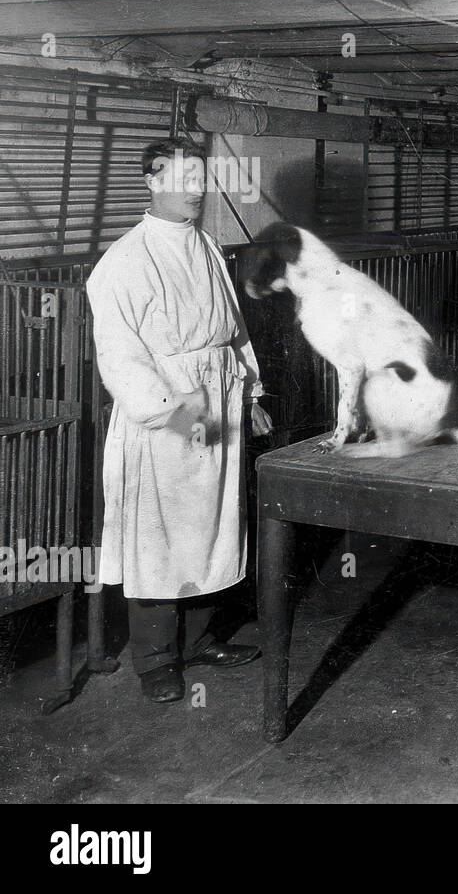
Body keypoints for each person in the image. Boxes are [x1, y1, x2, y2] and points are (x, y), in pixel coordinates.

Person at [85, 138, 273, 704]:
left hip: (220, 396)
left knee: (213, 519)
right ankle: (155, 660)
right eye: (181, 177)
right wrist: (172, 414)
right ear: (150, 180)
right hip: (166, 410)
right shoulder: (123, 260)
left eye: (200, 177)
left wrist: (251, 392)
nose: (195, 189)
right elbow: (119, 355)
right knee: (159, 531)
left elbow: (233, 328)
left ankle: (201, 639)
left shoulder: (210, 247)